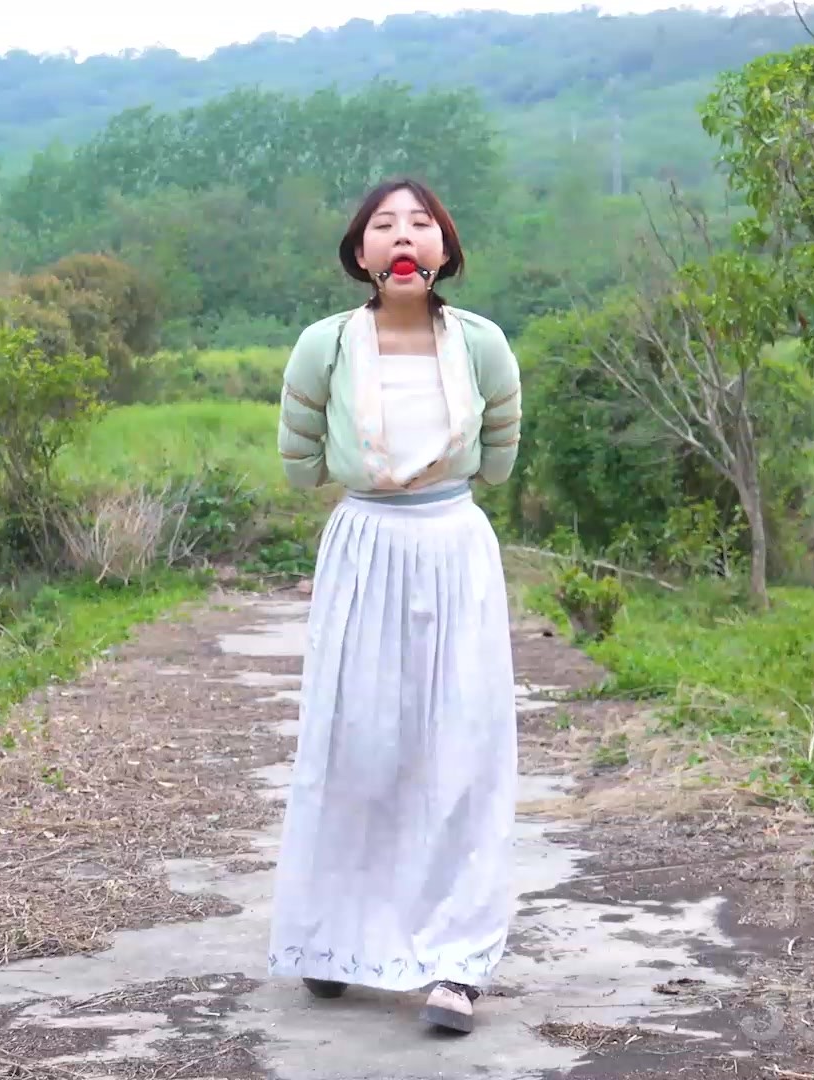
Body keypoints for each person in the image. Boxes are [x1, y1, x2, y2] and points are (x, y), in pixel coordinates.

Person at [266, 176, 522, 1035]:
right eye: (384, 225)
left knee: (462, 749)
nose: (403, 237)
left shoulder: (482, 343)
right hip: (366, 545)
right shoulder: (326, 345)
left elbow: (499, 451)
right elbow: (300, 454)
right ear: (359, 252)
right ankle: (337, 940)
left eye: (421, 224)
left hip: (454, 544)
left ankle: (458, 964)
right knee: (357, 743)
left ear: (446, 248)